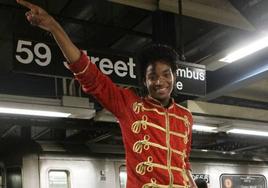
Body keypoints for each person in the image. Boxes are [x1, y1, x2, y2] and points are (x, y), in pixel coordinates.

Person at [17, 0, 197, 187]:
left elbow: (183, 162)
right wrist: (54, 27)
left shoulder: (186, 117)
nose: (160, 81)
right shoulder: (129, 104)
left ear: (175, 76)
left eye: (166, 75)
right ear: (144, 81)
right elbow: (89, 76)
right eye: (152, 76)